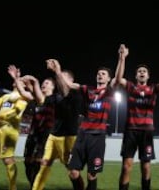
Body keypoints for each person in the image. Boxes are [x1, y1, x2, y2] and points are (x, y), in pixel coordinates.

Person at [46, 58, 116, 190]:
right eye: (98, 73)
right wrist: (58, 70)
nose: (100, 75)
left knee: (91, 174)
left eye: (103, 74)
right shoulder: (87, 90)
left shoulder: (109, 92)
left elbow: (117, 78)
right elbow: (71, 85)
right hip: (82, 135)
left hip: (97, 136)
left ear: (108, 79)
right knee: (73, 172)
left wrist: (121, 58)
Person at [115, 44, 159, 190]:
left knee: (146, 166)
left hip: (147, 132)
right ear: (136, 76)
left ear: (148, 76)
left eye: (144, 71)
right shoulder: (131, 86)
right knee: (126, 167)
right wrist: (122, 58)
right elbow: (118, 79)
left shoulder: (154, 88)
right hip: (131, 130)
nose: (142, 72)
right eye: (139, 71)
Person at [32, 63, 81, 190]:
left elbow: (65, 90)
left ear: (71, 81)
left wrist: (57, 71)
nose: (60, 79)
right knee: (44, 164)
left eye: (63, 77)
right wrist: (35, 83)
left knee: (73, 172)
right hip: (53, 136)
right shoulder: (55, 96)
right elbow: (41, 99)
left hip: (69, 138)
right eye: (60, 77)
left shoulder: (75, 93)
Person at [22, 75, 56, 188]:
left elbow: (39, 95)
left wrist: (35, 82)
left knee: (38, 162)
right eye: (43, 82)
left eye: (47, 83)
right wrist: (18, 79)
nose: (43, 84)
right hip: (33, 134)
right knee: (27, 162)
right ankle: (34, 185)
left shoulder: (54, 99)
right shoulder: (37, 98)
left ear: (53, 87)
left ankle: (35, 187)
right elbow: (30, 89)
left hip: (45, 134)